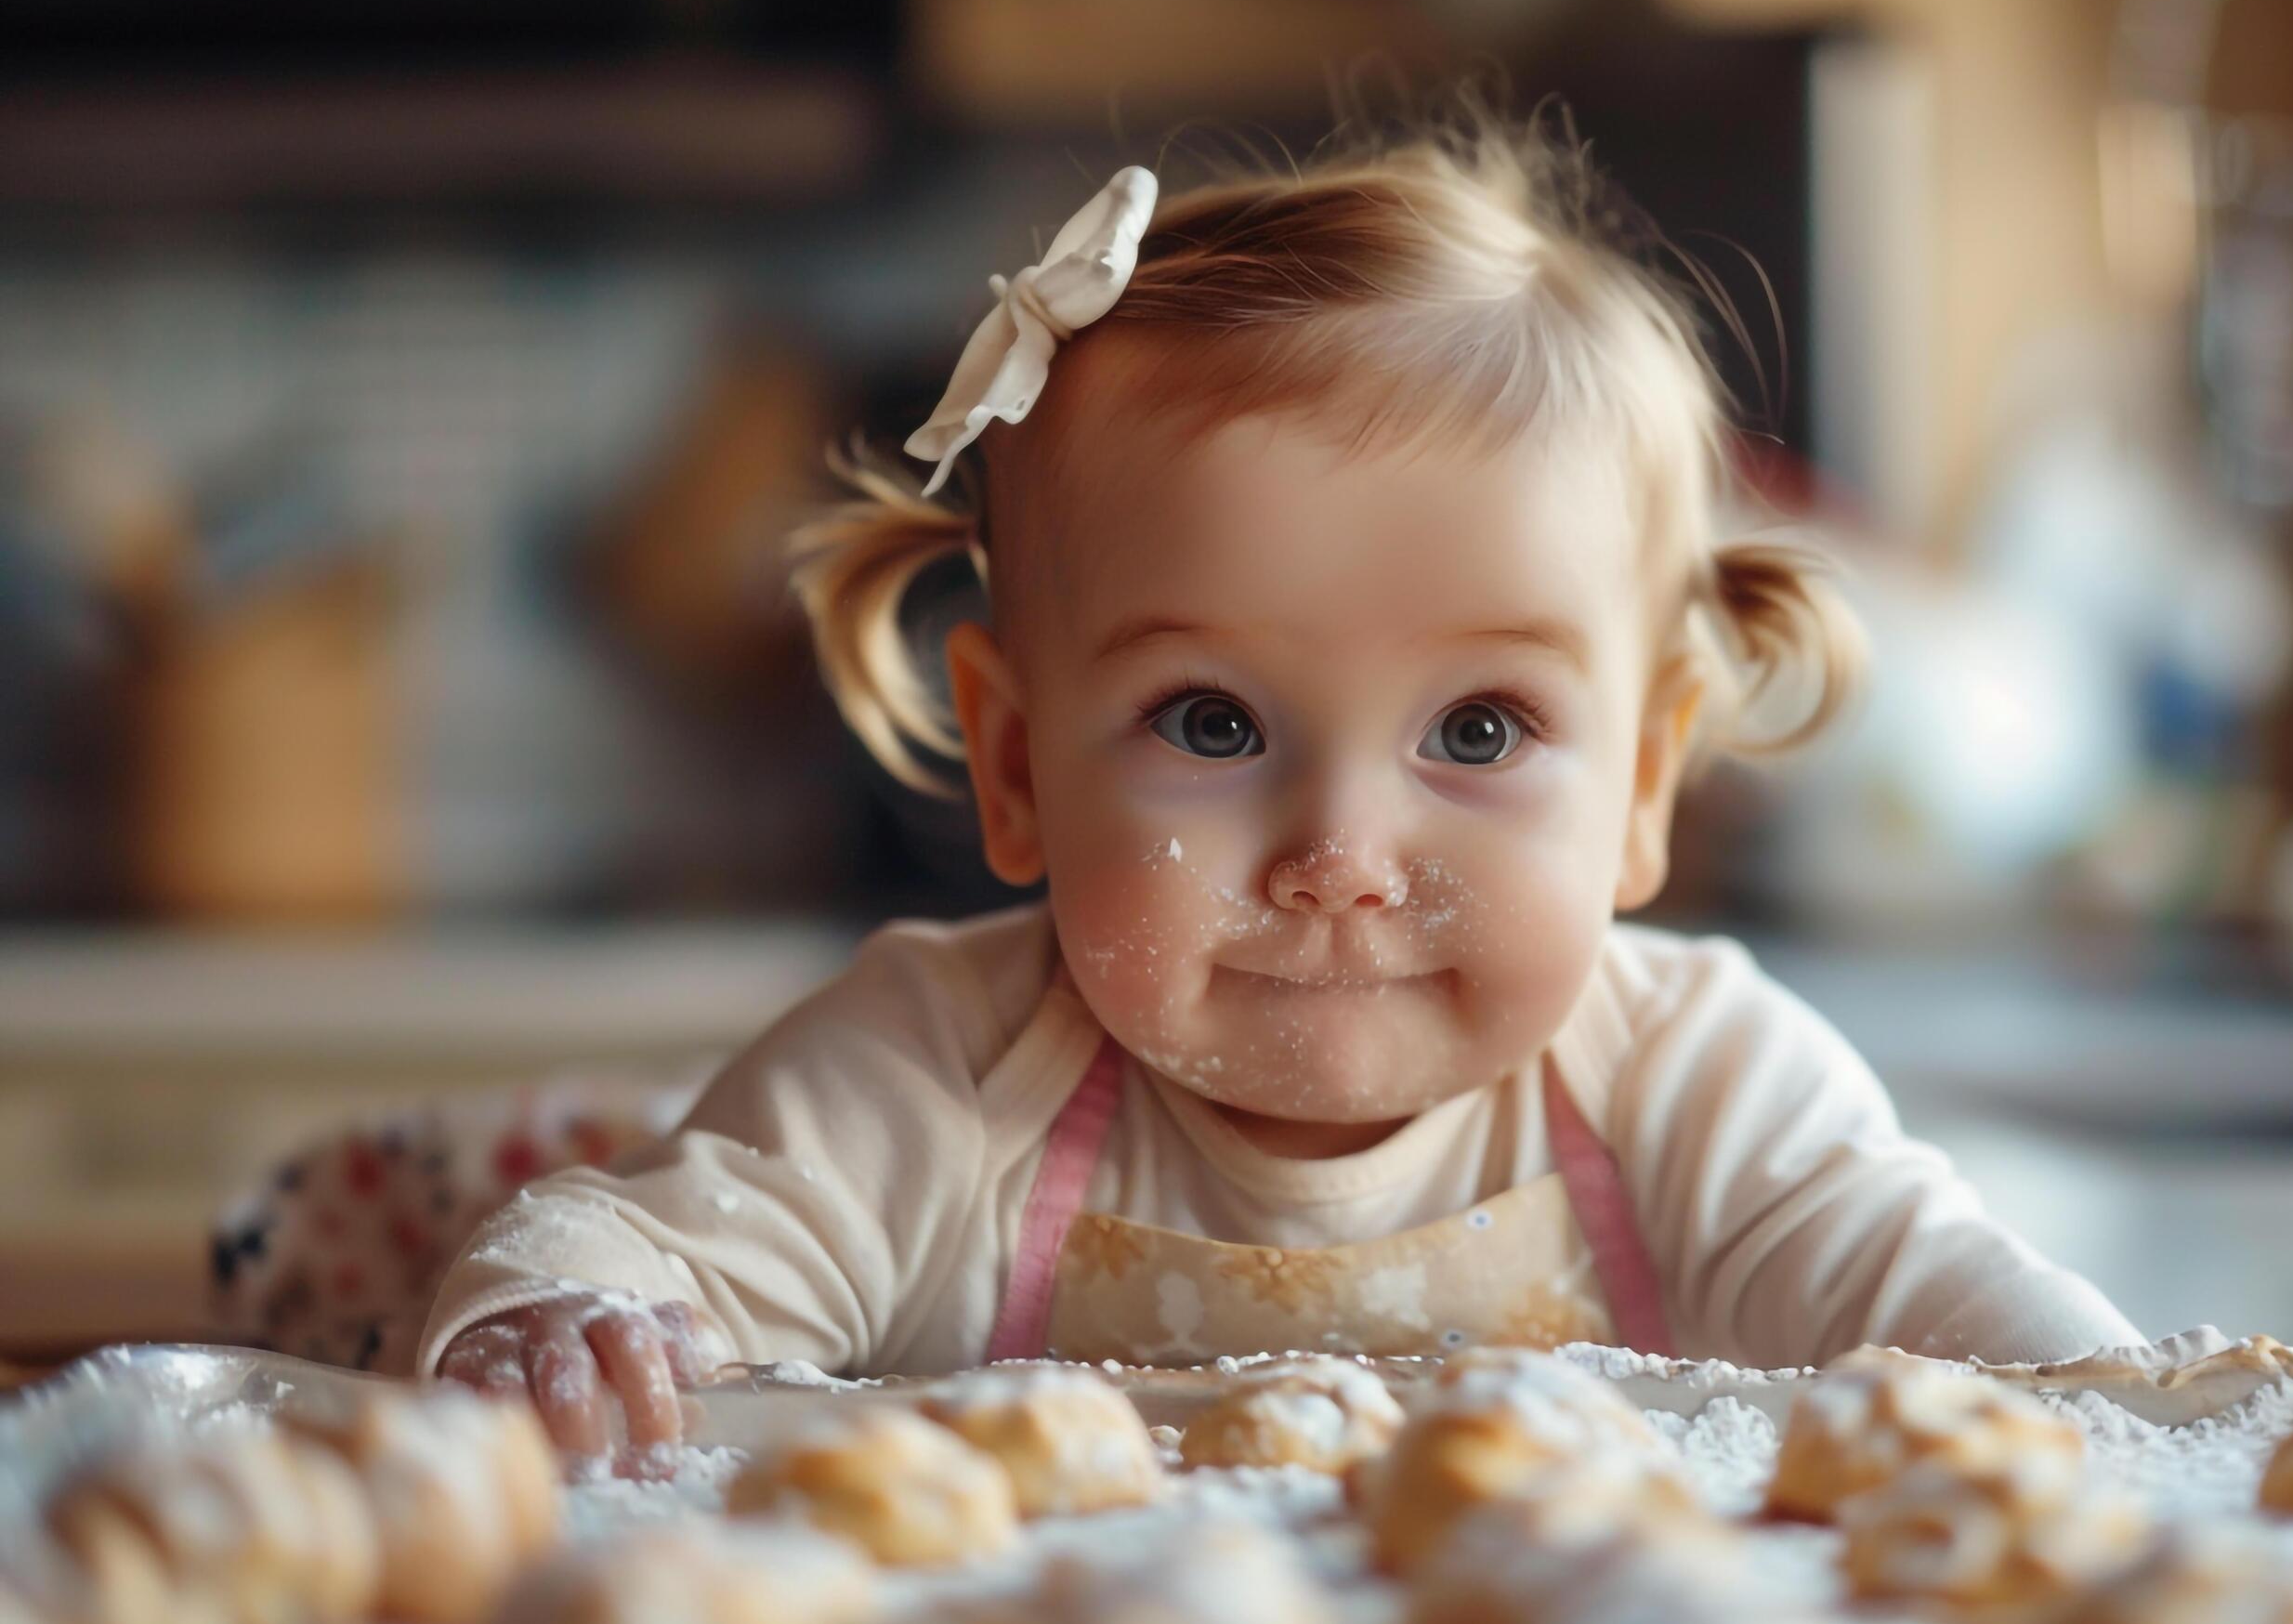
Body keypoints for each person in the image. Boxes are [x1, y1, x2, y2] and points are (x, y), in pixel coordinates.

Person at [426, 100, 2137, 1458]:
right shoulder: (939, 1076)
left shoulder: (1693, 1087)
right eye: (1215, 725)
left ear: (1644, 784)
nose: (1339, 856)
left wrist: (2125, 1420)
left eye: (1477, 733)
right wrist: (568, 1326)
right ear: (1015, 765)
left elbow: (1972, 1325)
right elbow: (636, 1261)